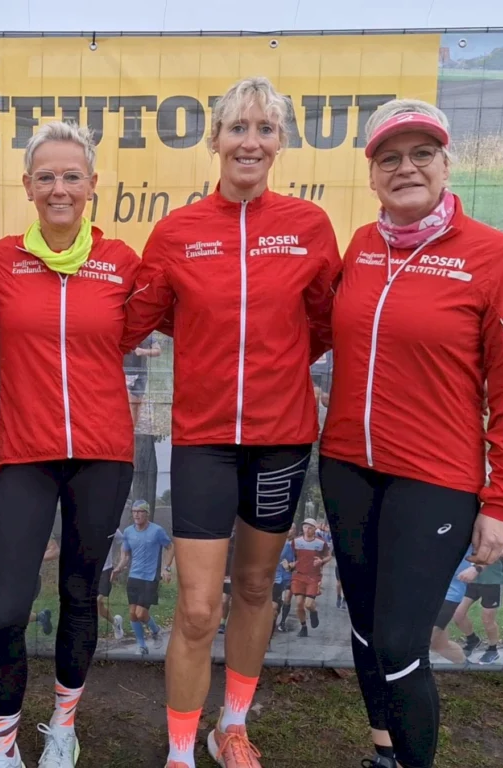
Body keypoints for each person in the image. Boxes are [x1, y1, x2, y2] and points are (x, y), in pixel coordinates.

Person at [121, 76, 341, 768]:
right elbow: (143, 317)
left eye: (265, 129)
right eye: (238, 128)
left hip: (281, 441)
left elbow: (323, 325)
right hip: (205, 442)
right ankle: (180, 750)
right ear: (214, 140)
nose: (251, 141)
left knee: (253, 588)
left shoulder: (308, 227)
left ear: (279, 142)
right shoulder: (178, 232)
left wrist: (270, 370)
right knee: (194, 609)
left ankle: (232, 728)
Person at [318, 99, 503, 768]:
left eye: (421, 154)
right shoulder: (359, 247)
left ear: (446, 164)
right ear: (373, 173)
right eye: (390, 157)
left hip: (435, 480)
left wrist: (501, 503)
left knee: (398, 645)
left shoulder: (493, 257)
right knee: (362, 629)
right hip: (348, 467)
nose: (406, 167)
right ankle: (384, 753)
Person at [0, 120, 138, 768]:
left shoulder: (122, 263)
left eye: (72, 176)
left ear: (93, 185)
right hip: (27, 456)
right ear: (28, 185)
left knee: (79, 592)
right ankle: (4, 745)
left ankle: (64, 727)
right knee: (6, 609)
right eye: (47, 176)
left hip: (103, 455)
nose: (59, 187)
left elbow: (136, 328)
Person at [112, 501, 174, 657]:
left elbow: (170, 547)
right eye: (134, 511)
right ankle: (142, 645)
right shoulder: (128, 532)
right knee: (132, 614)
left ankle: (156, 630)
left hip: (150, 577)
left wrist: (166, 568)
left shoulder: (157, 531)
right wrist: (119, 568)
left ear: (147, 513)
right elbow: (125, 555)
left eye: (140, 511)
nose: (136, 514)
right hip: (134, 576)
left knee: (141, 614)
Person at [454, 527, 503, 664]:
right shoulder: (468, 523)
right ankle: (472, 640)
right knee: (457, 614)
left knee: (487, 618)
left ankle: (493, 650)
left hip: (493, 580)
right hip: (471, 579)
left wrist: (494, 552)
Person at [429, 548, 478, 666]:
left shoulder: (468, 531)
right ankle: (466, 667)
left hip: (451, 591)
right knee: (440, 645)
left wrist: (476, 568)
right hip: (426, 589)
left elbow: (491, 550)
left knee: (427, 637)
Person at [125, 334, 161, 428]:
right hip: (125, 373)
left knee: (137, 404)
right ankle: (129, 431)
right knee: (131, 404)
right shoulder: (125, 332)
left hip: (141, 374)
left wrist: (142, 351)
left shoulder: (147, 333)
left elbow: (158, 351)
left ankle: (133, 430)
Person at [97, 526, 125, 641]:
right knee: (99, 607)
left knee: (97, 601)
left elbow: (123, 541)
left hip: (106, 570)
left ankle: (90, 633)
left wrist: (121, 561)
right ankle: (115, 622)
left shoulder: (111, 527)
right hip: (89, 570)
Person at [273, 526, 296, 633]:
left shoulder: (296, 544)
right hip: (276, 576)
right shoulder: (276, 541)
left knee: (287, 597)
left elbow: (301, 560)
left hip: (290, 575)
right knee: (276, 601)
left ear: (294, 531)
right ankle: (274, 620)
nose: (288, 531)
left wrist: (291, 565)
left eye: (291, 529)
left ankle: (282, 622)